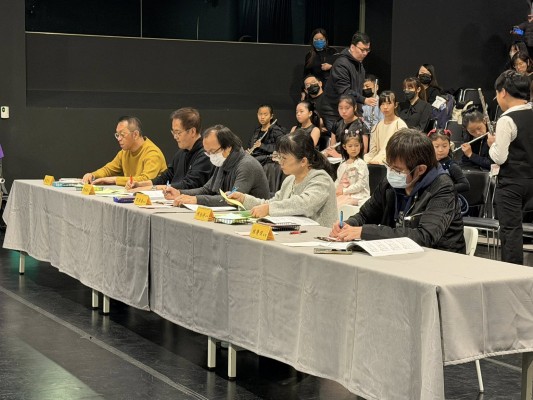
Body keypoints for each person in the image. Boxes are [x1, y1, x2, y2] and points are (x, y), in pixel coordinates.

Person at [329, 128, 466, 254]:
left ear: (420, 169)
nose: (391, 172)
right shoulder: (390, 183)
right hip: (398, 255)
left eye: (398, 170)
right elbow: (365, 215)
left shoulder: (443, 188)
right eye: (389, 166)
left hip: (440, 258)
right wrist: (349, 224)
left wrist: (364, 232)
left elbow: (424, 237)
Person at [228, 130, 337, 227]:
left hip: (318, 237)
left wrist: (269, 209)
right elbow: (271, 203)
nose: (280, 162)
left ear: (303, 161)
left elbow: (305, 204)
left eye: (284, 158)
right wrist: (244, 199)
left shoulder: (321, 179)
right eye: (279, 157)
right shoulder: (290, 180)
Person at [487, 70, 533, 265]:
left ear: (503, 92)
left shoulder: (506, 119)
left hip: (512, 183)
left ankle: (513, 275)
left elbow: (500, 156)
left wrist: (492, 145)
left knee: (511, 231)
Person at [164, 125, 270, 207]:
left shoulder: (246, 165)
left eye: (213, 152)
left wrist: (196, 199)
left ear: (228, 147)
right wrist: (179, 193)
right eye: (208, 153)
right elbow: (207, 190)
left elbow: (233, 199)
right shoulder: (223, 160)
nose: (211, 156)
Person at [126, 108, 213, 191]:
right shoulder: (182, 152)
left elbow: (189, 185)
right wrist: (140, 184)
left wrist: (152, 188)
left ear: (192, 131)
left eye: (178, 132)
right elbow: (166, 176)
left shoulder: (205, 155)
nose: (175, 137)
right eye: (173, 132)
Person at [82, 116, 166, 186]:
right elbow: (108, 169)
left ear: (135, 134)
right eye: (117, 135)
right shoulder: (124, 152)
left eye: (122, 135)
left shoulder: (152, 153)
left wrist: (114, 180)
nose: (119, 139)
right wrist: (92, 175)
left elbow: (146, 180)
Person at [323, 32, 377, 131]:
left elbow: (357, 90)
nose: (365, 53)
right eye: (362, 50)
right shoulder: (341, 64)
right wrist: (364, 100)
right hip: (335, 112)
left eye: (367, 50)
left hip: (350, 110)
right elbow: (344, 91)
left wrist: (359, 112)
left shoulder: (359, 64)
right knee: (342, 138)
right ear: (352, 47)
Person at [247, 104, 287, 194]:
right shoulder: (257, 131)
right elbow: (251, 145)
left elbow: (281, 147)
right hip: (257, 158)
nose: (262, 117)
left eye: (265, 114)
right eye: (260, 114)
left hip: (269, 160)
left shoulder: (276, 130)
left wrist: (262, 146)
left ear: (271, 116)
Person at [364, 91, 407, 164]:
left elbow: (399, 152)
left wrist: (379, 160)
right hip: (376, 161)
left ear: (395, 105)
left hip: (392, 162)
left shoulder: (401, 125)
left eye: (388, 103)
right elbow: (373, 151)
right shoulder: (376, 126)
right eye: (382, 104)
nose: (385, 107)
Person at [427, 129, 470, 194]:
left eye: (444, 146)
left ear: (449, 146)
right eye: (436, 146)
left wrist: (445, 189)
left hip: (446, 197)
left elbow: (465, 185)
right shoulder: (428, 163)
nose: (440, 150)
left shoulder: (452, 166)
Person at [302, 74, 338, 150]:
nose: (311, 85)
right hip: (311, 136)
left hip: (332, 136)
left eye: (313, 82)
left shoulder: (331, 97)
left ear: (320, 83)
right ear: (305, 90)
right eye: (308, 85)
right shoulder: (306, 104)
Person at [335, 132, 370, 207]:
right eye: (350, 146)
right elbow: (338, 180)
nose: (353, 149)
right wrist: (335, 190)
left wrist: (344, 191)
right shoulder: (342, 165)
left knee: (341, 205)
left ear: (360, 145)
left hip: (358, 196)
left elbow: (361, 184)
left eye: (356, 145)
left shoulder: (361, 164)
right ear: (345, 147)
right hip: (344, 194)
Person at [302, 28, 337, 97]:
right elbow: (306, 74)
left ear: (326, 39)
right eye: (316, 39)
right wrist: (303, 91)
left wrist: (331, 67)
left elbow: (341, 68)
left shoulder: (333, 52)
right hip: (314, 90)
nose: (319, 41)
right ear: (312, 40)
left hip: (331, 89)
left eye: (321, 39)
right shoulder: (309, 55)